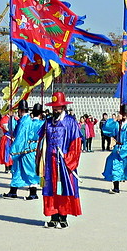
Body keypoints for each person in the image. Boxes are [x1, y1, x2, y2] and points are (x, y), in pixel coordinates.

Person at [36, 92, 82, 228]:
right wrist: (40, 158)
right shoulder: (48, 122)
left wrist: (69, 159)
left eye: (58, 107)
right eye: (54, 107)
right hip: (50, 163)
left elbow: (76, 144)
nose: (55, 110)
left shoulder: (70, 122)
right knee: (50, 188)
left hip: (63, 162)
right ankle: (53, 216)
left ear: (63, 107)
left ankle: (63, 217)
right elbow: (41, 140)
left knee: (63, 188)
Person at [3, 101, 43, 200]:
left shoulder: (26, 122)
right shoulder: (33, 121)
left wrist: (16, 149)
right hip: (31, 148)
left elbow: (20, 137)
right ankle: (13, 191)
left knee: (30, 171)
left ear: (20, 111)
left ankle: (33, 193)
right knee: (17, 170)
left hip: (26, 149)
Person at [102, 104, 127, 194]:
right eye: (121, 113)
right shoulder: (117, 124)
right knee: (115, 165)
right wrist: (114, 120)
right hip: (118, 148)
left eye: (124, 113)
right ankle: (116, 188)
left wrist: (124, 150)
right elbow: (106, 129)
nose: (123, 115)